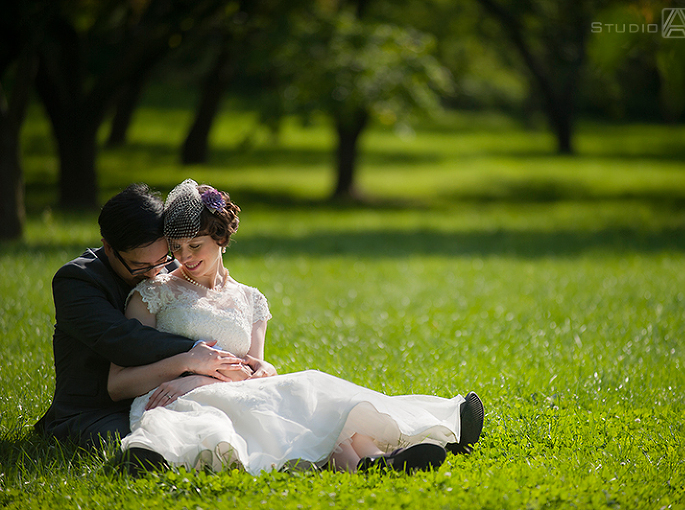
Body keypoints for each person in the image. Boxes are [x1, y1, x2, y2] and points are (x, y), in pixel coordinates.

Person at [111, 179, 484, 474]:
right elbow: (118, 383)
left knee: (309, 390)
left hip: (234, 391)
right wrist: (189, 370)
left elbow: (255, 369)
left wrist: (227, 373)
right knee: (285, 403)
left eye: (195, 246)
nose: (185, 258)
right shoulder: (154, 294)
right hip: (176, 397)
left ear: (222, 239)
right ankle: (157, 452)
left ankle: (373, 462)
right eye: (176, 248)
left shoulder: (251, 299)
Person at [34, 184, 245, 454]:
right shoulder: (77, 281)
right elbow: (123, 339)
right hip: (97, 408)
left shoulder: (168, 266)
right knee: (145, 443)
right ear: (109, 248)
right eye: (140, 266)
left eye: (162, 259)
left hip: (165, 394)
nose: (155, 273)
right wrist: (197, 352)